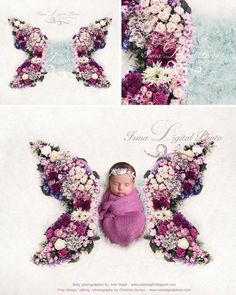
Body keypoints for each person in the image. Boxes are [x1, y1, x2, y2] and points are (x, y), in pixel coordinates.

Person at [99, 162, 145, 246]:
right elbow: (103, 208)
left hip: (133, 216)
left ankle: (130, 236)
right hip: (114, 222)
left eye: (126, 184)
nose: (121, 188)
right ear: (110, 182)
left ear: (133, 183)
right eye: (116, 184)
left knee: (139, 218)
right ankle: (118, 237)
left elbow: (138, 207)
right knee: (107, 222)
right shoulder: (108, 194)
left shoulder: (134, 194)